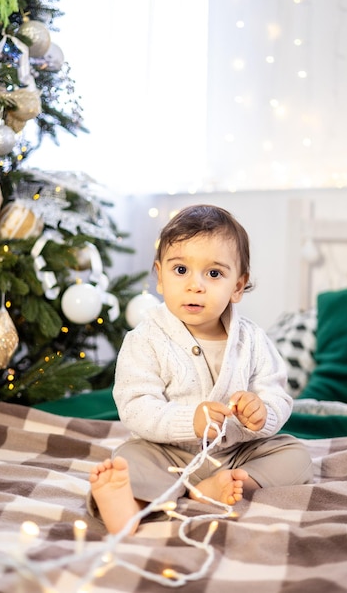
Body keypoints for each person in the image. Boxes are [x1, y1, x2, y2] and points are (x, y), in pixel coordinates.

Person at [88, 204, 313, 535]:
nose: (196, 285)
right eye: (180, 270)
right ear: (160, 276)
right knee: (130, 457)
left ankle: (233, 484)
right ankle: (128, 504)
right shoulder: (146, 339)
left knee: (296, 455)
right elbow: (135, 406)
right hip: (166, 453)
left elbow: (277, 393)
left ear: (238, 286)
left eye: (214, 274)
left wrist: (262, 411)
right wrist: (188, 420)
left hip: (237, 452)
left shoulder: (251, 340)